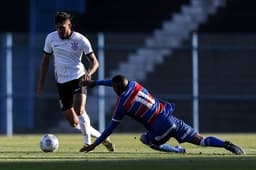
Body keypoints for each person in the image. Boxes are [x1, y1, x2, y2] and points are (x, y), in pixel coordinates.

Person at [80, 74, 245, 155]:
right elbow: (115, 82)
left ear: (116, 89)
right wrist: (95, 83)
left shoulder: (122, 105)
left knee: (147, 140)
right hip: (171, 118)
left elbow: (109, 129)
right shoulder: (134, 84)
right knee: (201, 140)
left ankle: (177, 151)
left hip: (159, 128)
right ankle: (227, 145)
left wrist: (94, 145)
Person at [37, 11, 114, 152]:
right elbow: (45, 61)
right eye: (58, 27)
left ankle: (87, 143)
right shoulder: (51, 38)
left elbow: (95, 62)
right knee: (73, 122)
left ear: (69, 25)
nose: (60, 30)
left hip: (79, 77)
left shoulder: (80, 40)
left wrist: (89, 73)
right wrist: (41, 82)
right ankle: (103, 137)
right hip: (61, 81)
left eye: (63, 27)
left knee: (79, 108)